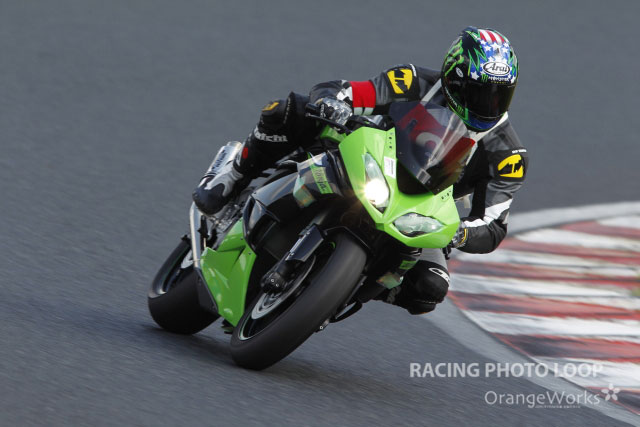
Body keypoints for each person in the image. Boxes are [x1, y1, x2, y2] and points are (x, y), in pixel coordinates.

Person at [193, 26, 528, 315]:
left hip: (419, 209)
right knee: (289, 110)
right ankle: (232, 177)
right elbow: (346, 90)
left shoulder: (508, 154)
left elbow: (493, 225)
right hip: (363, 155)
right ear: (453, 77)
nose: (489, 105)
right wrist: (334, 102)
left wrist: (460, 233)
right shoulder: (413, 80)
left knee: (429, 288)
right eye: (479, 93)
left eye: (500, 95)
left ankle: (346, 288)